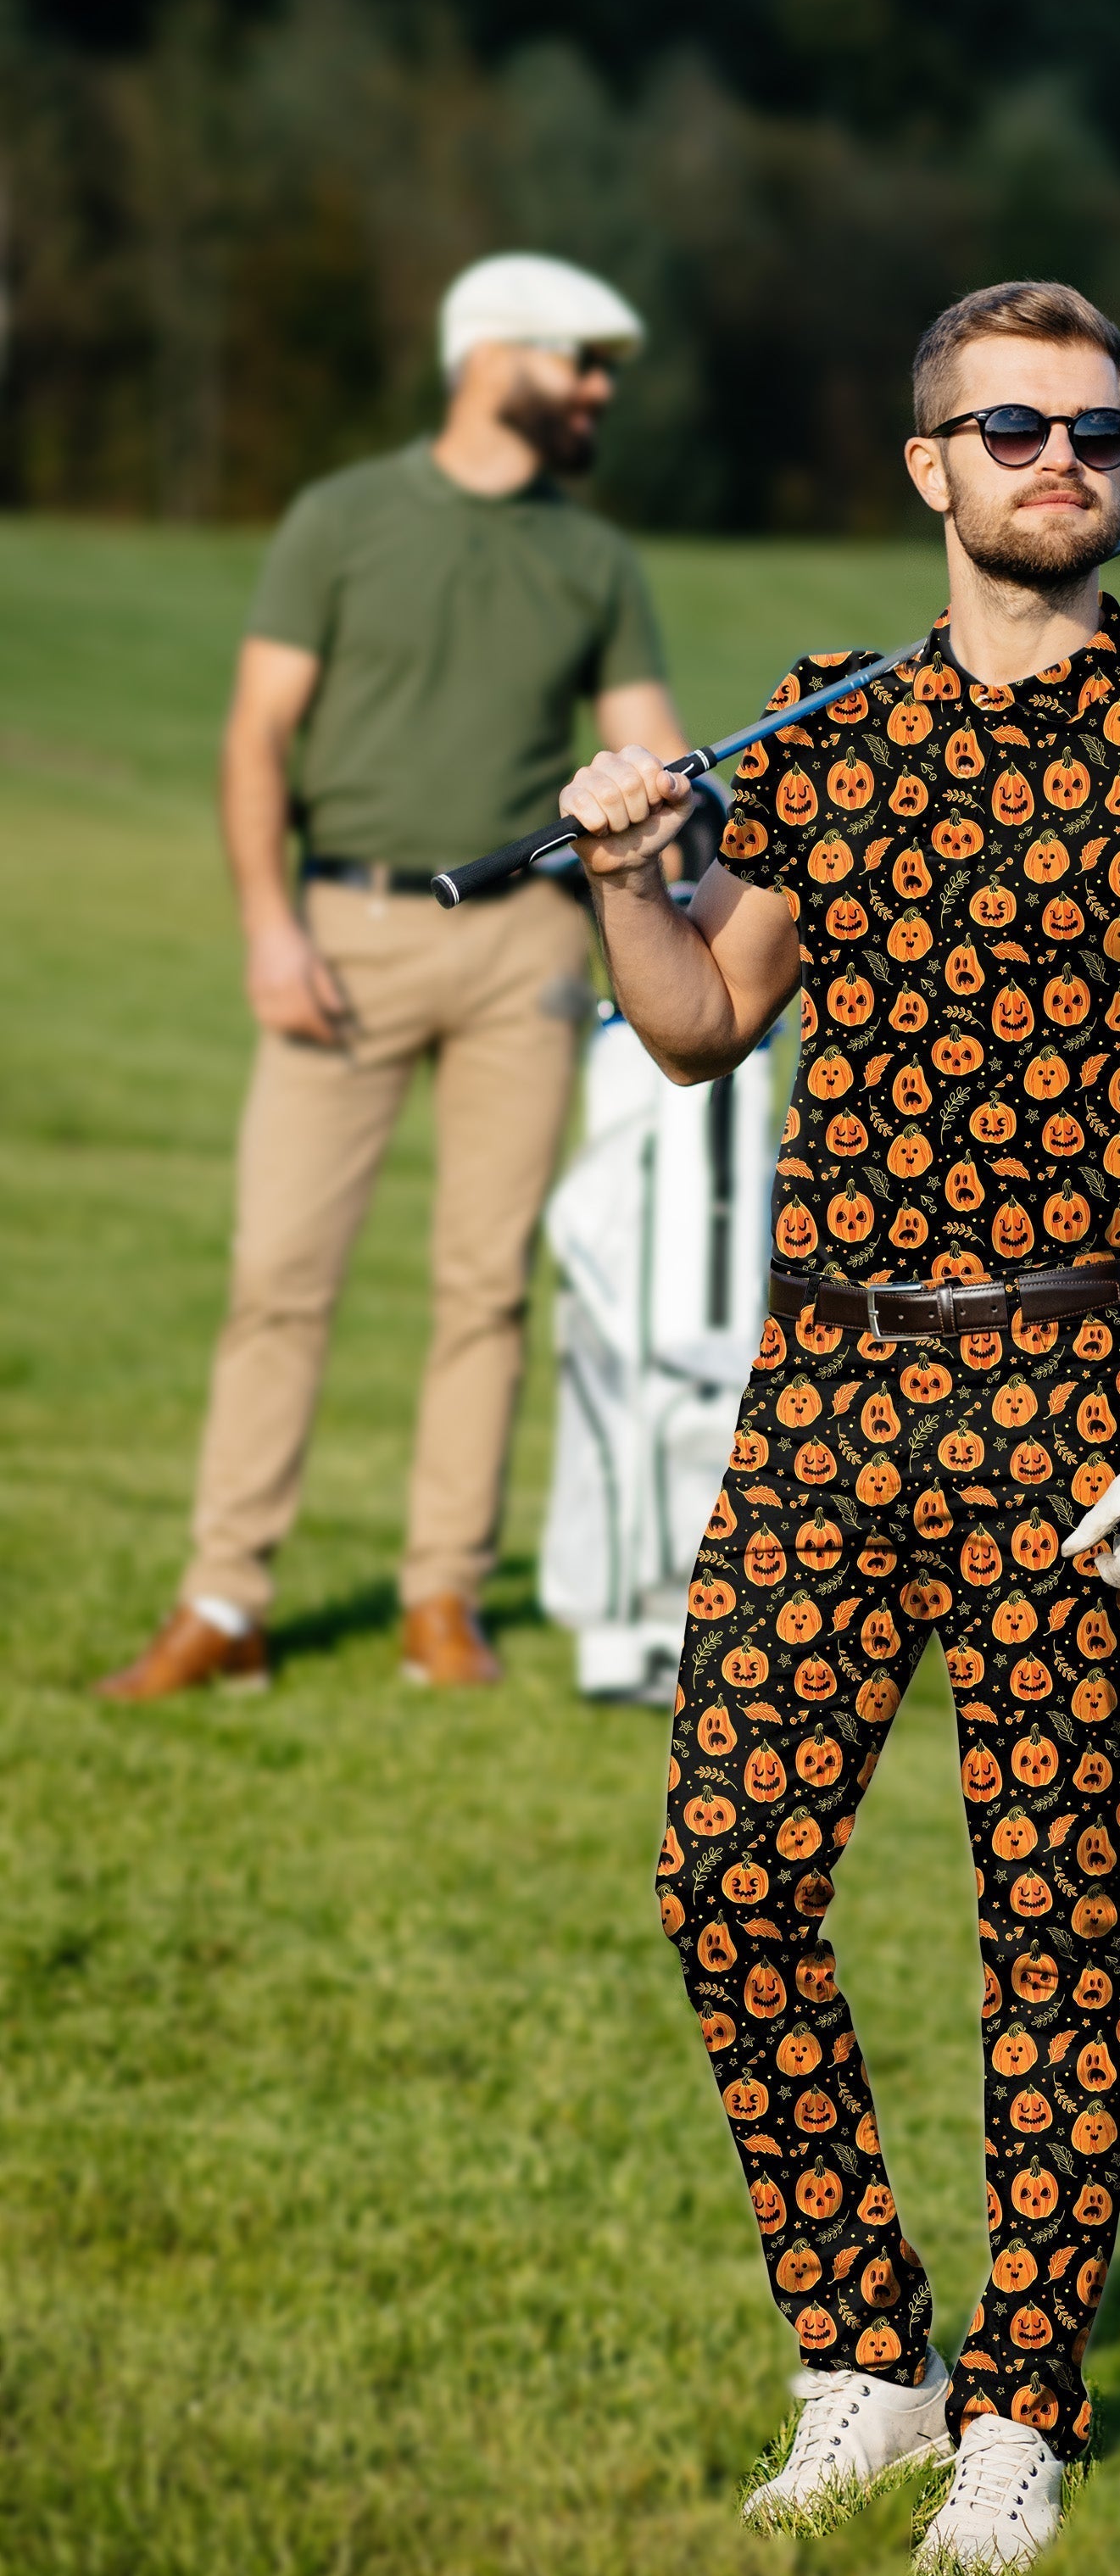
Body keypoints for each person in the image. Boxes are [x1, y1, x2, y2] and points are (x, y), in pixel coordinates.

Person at [555, 280, 1120, 2576]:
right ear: (934, 470)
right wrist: (624, 864)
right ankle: (862, 2355)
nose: (1059, 457)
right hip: (828, 1387)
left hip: (1078, 1392)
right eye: (1010, 426)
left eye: (1096, 425)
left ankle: (1019, 2409)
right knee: (727, 1870)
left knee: (1047, 1921)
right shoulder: (833, 734)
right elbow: (698, 1025)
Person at [95, 253, 687, 1702]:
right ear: (492, 358)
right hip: (342, 931)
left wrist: (686, 844)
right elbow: (256, 737)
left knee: (485, 1284)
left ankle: (442, 1602)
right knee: (278, 1275)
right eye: (580, 361)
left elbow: (657, 748)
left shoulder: (594, 556)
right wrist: (267, 927)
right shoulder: (340, 519)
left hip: (528, 952)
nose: (601, 389)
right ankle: (225, 1599)